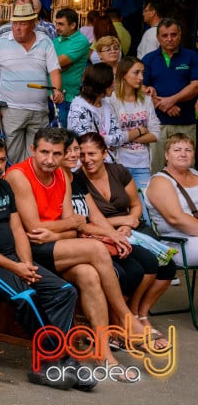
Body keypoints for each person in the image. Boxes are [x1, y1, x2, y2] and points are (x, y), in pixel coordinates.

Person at [0, 136, 89, 390]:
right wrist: (15, 268)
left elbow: (18, 229)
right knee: (27, 297)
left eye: (1, 159)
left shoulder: (3, 186)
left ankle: (59, 357)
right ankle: (50, 362)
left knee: (64, 291)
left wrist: (27, 264)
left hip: (14, 259)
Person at [6, 127, 150, 366]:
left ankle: (104, 354)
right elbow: (34, 227)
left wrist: (62, 228)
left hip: (54, 245)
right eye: (44, 152)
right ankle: (126, 317)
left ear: (64, 155)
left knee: (89, 274)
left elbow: (74, 226)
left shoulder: (63, 176)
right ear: (32, 150)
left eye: (56, 154)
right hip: (26, 250)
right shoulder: (19, 175)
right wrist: (71, 224)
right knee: (96, 249)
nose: (49, 160)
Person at [72, 132, 174, 340]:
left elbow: (136, 206)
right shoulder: (77, 179)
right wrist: (120, 223)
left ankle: (140, 313)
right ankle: (129, 317)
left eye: (92, 154)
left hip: (132, 228)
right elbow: (84, 223)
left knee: (168, 266)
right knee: (147, 263)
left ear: (104, 153)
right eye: (82, 154)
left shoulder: (118, 171)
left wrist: (130, 223)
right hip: (103, 232)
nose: (87, 159)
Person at [0, 0, 63, 164]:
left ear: (32, 24)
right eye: (15, 23)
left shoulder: (44, 41)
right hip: (12, 109)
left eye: (22, 23)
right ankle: (14, 187)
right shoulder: (1, 43)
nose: (17, 27)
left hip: (39, 110)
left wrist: (57, 90)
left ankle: (29, 189)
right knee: (12, 157)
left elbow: (54, 70)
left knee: (37, 157)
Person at [142, 18, 198, 171]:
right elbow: (140, 86)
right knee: (156, 168)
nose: (169, 39)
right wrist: (163, 104)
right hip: (157, 125)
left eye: (173, 34)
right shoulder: (149, 59)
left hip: (185, 123)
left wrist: (171, 100)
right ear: (158, 37)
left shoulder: (192, 57)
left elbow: (195, 86)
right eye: (165, 35)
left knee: (185, 168)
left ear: (180, 35)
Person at [144, 133, 198, 267]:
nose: (183, 154)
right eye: (177, 150)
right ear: (167, 155)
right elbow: (176, 219)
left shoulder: (196, 174)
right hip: (178, 242)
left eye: (188, 150)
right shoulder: (160, 181)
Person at [109, 57, 161, 190]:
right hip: (119, 163)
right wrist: (140, 131)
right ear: (124, 74)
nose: (141, 77)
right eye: (136, 73)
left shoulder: (146, 100)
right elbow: (112, 136)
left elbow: (155, 134)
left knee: (144, 206)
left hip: (142, 163)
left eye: (143, 73)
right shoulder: (111, 100)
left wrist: (126, 137)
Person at [65, 63, 125, 154]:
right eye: (112, 80)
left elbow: (120, 138)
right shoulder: (78, 108)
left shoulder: (106, 106)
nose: (115, 84)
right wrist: (108, 142)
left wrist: (104, 139)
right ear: (101, 83)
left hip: (106, 163)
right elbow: (87, 141)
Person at [53, 7, 91, 125]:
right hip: (51, 94)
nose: (57, 27)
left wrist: (54, 65)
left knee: (62, 136)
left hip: (67, 96)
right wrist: (55, 66)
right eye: (56, 23)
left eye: (61, 24)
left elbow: (57, 62)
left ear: (73, 25)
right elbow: (53, 63)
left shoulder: (81, 41)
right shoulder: (57, 39)